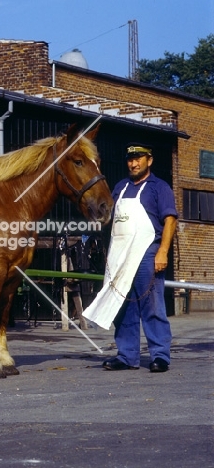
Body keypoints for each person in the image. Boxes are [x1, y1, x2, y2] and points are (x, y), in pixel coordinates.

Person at [83, 143, 177, 372]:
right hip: (120, 254)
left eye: (138, 159)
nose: (133, 163)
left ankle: (160, 356)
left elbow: (170, 221)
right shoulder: (120, 187)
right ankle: (127, 356)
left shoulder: (159, 187)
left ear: (149, 160)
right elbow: (109, 217)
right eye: (130, 159)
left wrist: (163, 251)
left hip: (147, 252)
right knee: (122, 305)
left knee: (152, 305)